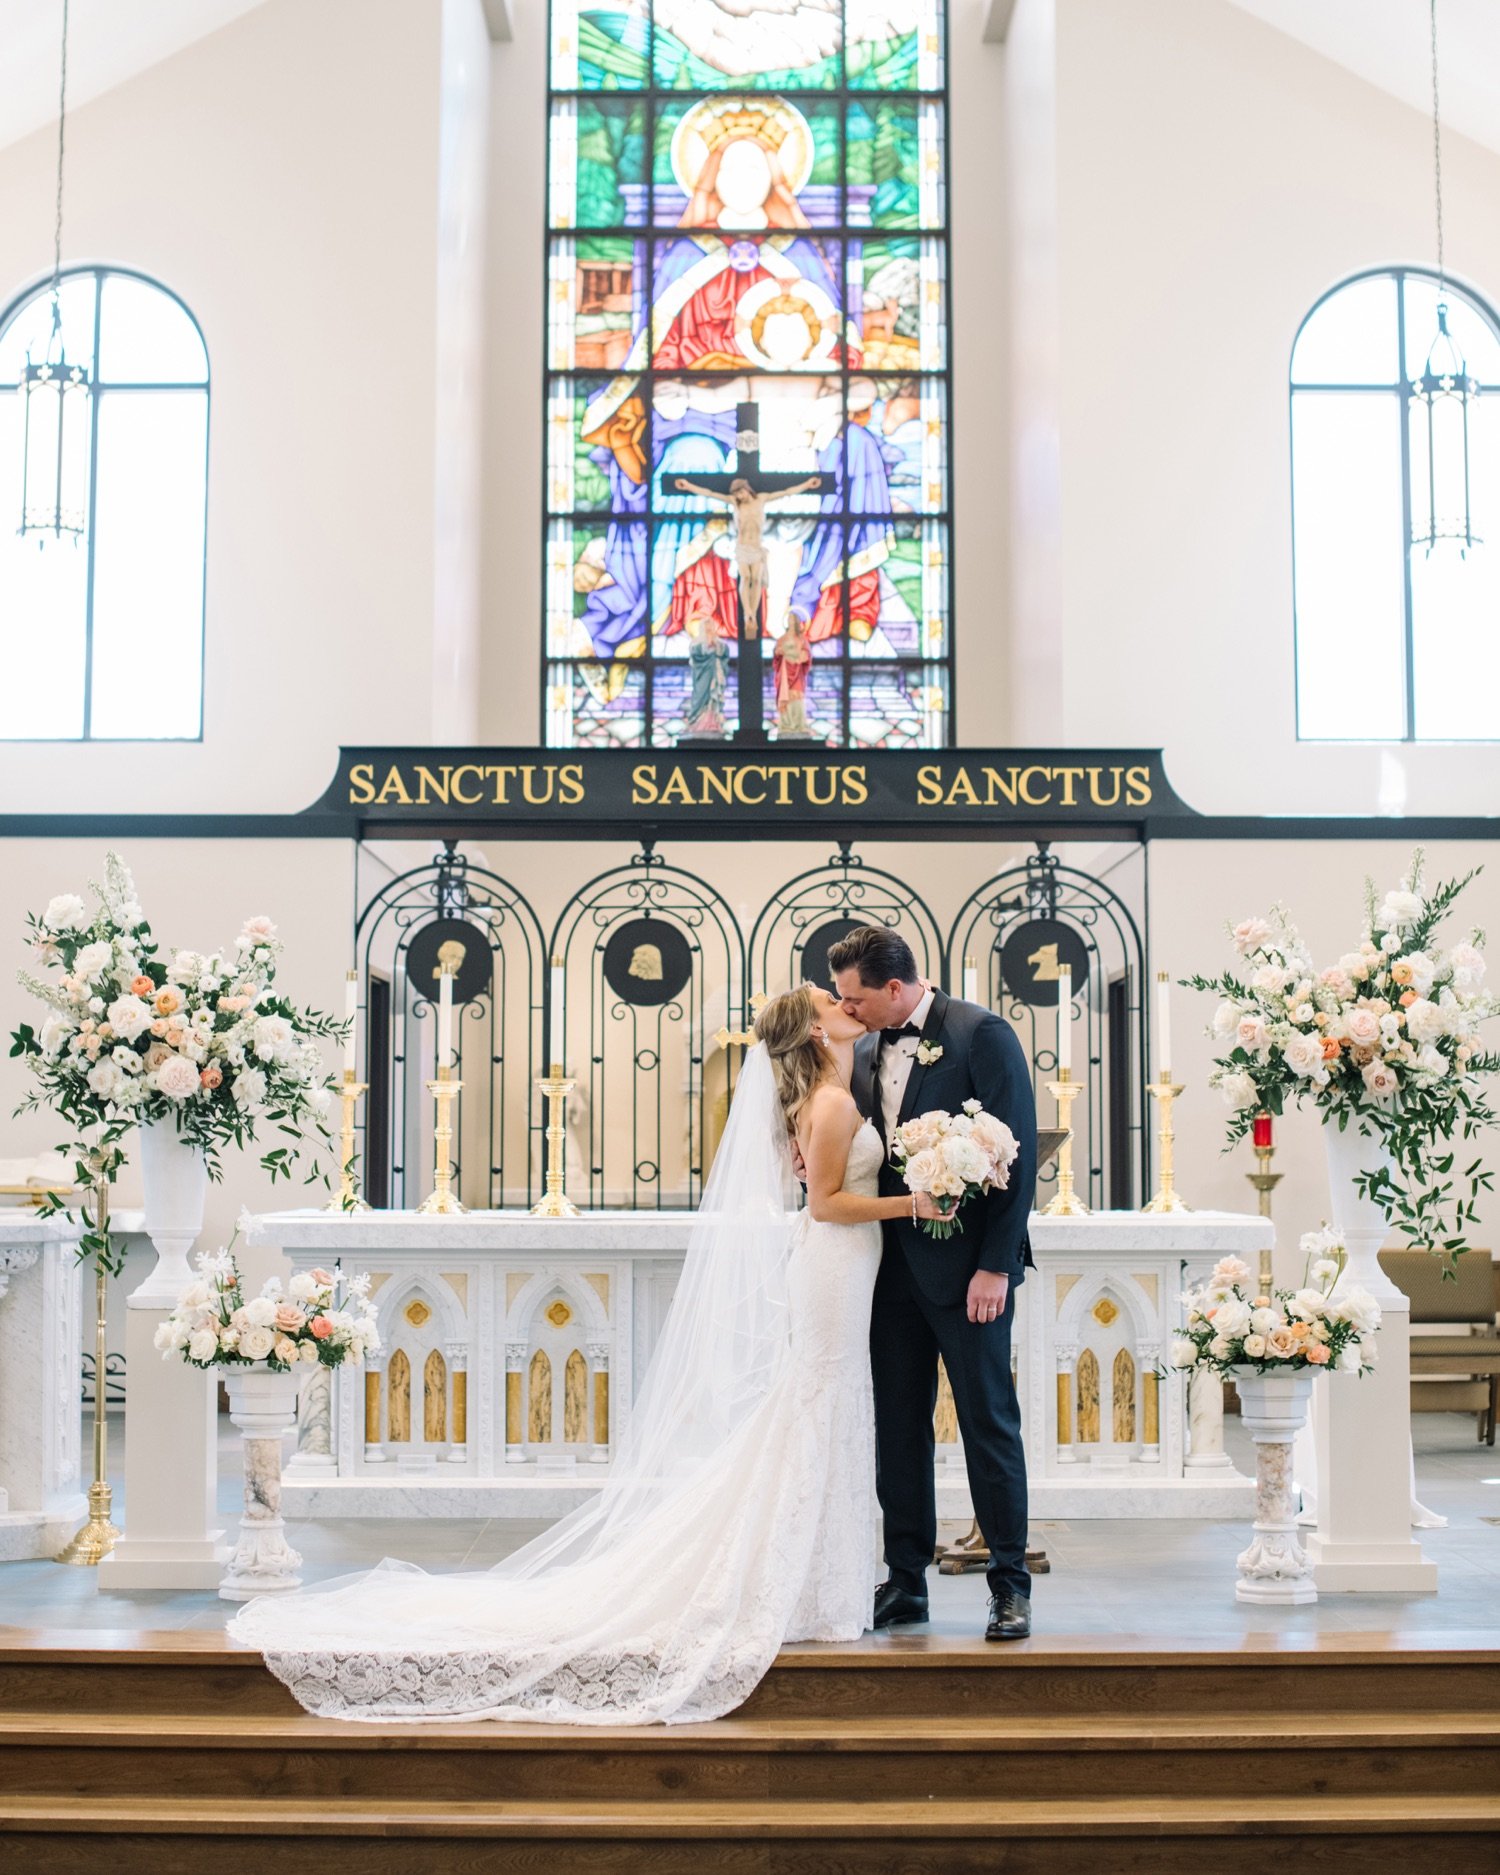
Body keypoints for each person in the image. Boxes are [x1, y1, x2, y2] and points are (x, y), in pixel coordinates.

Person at [229, 984, 941, 1726]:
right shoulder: (828, 1103)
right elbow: (826, 1201)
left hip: (848, 1262)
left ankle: (817, 1579)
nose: (845, 1005)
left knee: (824, 1403)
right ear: (813, 1029)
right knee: (817, 1402)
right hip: (834, 1257)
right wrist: (912, 1203)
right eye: (833, 1000)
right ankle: (802, 1581)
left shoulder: (836, 1088)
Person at [828, 925, 1038, 1643]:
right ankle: (906, 1580)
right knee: (900, 1430)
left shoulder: (981, 1034)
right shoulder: (858, 1045)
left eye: (853, 996)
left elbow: (1019, 1153)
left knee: (988, 1422)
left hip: (968, 1270)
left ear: (894, 988)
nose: (844, 1007)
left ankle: (1009, 1583)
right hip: (887, 1269)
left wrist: (995, 1266)